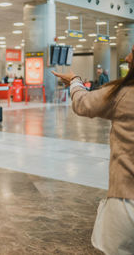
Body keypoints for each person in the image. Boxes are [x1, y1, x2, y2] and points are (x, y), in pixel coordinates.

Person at [52, 45, 134, 254]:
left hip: (126, 199)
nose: (127, 57)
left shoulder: (125, 95)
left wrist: (74, 81)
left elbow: (83, 103)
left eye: (133, 51)